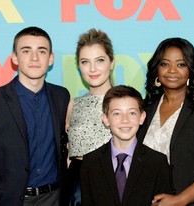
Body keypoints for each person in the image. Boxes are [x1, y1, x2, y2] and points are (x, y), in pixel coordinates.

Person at [0, 26, 71, 206]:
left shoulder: (62, 97)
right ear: (14, 58)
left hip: (54, 198)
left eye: (42, 51)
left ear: (51, 58)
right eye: (26, 51)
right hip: (10, 201)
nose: (34, 58)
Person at [137, 37, 194, 206]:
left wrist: (179, 200)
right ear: (156, 69)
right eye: (165, 64)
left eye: (181, 64)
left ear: (191, 70)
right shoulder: (144, 109)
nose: (172, 70)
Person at [80, 85, 172, 206]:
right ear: (106, 119)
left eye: (132, 113)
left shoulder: (157, 162)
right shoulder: (90, 162)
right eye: (117, 114)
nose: (125, 120)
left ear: (142, 117)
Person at [65, 28, 115, 205]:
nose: (93, 69)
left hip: (115, 181)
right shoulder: (72, 104)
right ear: (79, 66)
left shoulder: (128, 102)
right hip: (77, 186)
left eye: (100, 60)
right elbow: (68, 151)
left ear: (112, 62)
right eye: (85, 62)